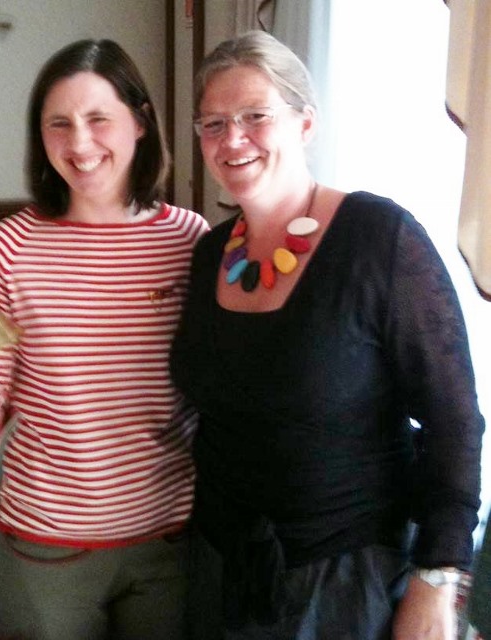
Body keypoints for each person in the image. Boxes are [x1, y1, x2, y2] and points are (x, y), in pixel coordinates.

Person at [170, 30, 484, 640]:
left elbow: (453, 419)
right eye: (213, 124)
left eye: (255, 116)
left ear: (305, 123)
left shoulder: (379, 238)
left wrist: (437, 576)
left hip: (345, 577)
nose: (232, 139)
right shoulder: (211, 253)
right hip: (220, 561)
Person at [0, 38, 209, 640]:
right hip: (48, 544)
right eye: (59, 123)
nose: (79, 143)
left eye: (98, 118)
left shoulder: (188, 240)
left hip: (169, 539)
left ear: (140, 122)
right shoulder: (8, 248)